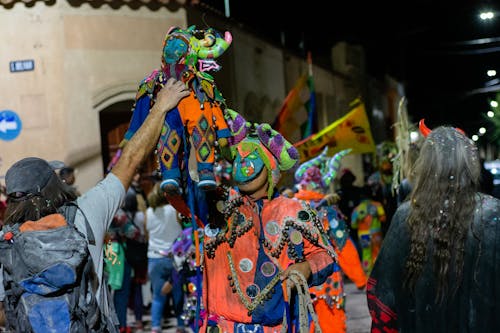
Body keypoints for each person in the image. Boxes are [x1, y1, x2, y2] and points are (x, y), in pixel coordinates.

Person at [0, 78, 190, 331]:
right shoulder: (84, 215)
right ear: (55, 186)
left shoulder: (6, 243)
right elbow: (131, 159)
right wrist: (161, 107)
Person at [201, 124, 336, 332]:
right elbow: (182, 190)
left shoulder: (295, 210)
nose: (244, 162)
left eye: (253, 159)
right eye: (240, 157)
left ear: (271, 170)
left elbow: (324, 255)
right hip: (223, 325)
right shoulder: (218, 206)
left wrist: (307, 267)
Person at [367, 125, 500, 332]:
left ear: (425, 165)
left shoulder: (406, 216)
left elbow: (383, 296)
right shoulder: (492, 212)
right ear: (469, 164)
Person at [293, 148, 367, 333]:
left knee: (300, 323)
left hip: (296, 280)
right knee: (331, 324)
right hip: (327, 281)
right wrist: (359, 278)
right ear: (321, 186)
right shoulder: (328, 212)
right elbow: (343, 246)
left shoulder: (288, 208)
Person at [145, 182, 185, 333]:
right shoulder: (175, 211)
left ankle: (155, 327)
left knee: (157, 296)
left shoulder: (149, 212)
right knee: (178, 294)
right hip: (175, 259)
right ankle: (180, 325)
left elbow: (147, 234)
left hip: (155, 258)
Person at [350, 186, 386, 275]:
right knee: (377, 253)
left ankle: (369, 279)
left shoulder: (356, 209)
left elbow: (353, 225)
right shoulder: (377, 205)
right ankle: (379, 276)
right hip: (375, 233)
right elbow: (383, 218)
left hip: (363, 235)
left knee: (366, 255)